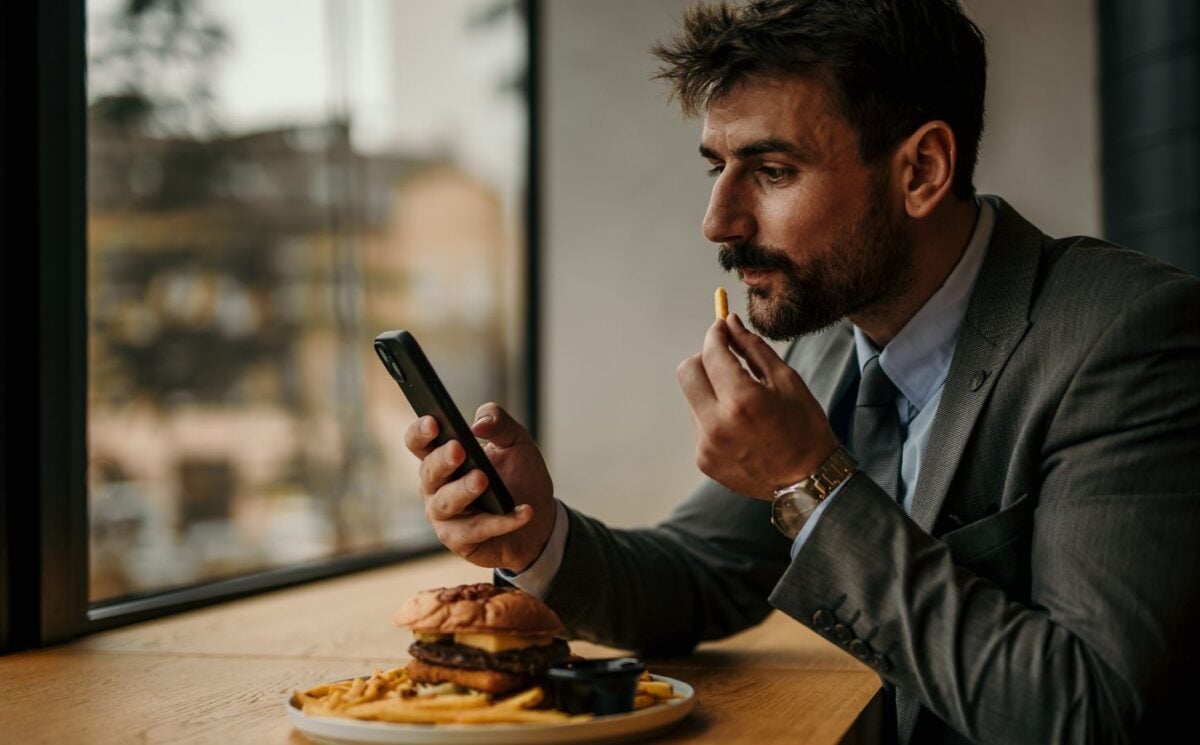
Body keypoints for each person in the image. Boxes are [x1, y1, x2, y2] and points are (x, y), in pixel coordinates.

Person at [403, 1, 1200, 742]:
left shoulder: (1127, 336)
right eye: (715, 165)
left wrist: (806, 475)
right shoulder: (827, 341)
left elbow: (1086, 708)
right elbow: (703, 570)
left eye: (773, 170)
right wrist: (538, 530)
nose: (718, 220)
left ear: (921, 169)